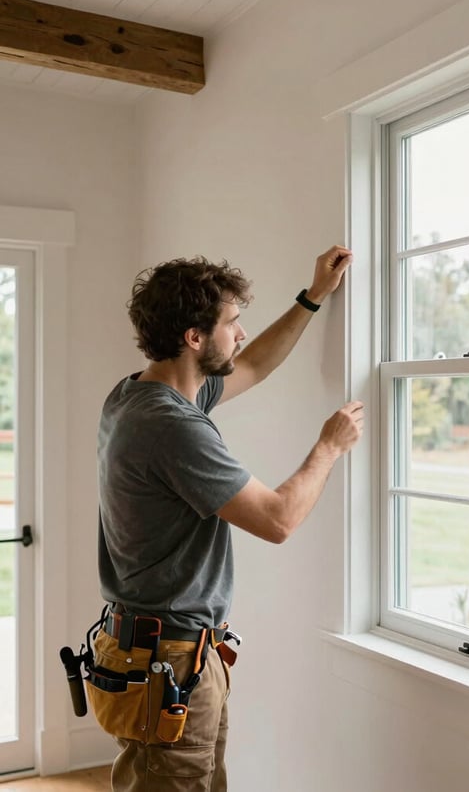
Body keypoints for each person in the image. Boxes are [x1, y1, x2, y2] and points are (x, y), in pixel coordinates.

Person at [91, 245, 363, 791]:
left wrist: (312, 298)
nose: (240, 334)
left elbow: (256, 363)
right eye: (232, 323)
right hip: (167, 657)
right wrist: (329, 448)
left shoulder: (135, 396)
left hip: (167, 651)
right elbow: (278, 519)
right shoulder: (171, 428)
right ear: (194, 338)